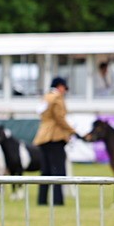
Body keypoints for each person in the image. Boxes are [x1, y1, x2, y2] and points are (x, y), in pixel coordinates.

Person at [34, 76, 74, 206]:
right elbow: (60, 118)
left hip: (43, 136)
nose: (65, 91)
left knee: (45, 171)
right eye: (64, 88)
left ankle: (42, 200)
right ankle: (57, 201)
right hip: (54, 137)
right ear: (60, 86)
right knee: (58, 171)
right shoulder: (57, 98)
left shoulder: (46, 97)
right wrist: (72, 131)